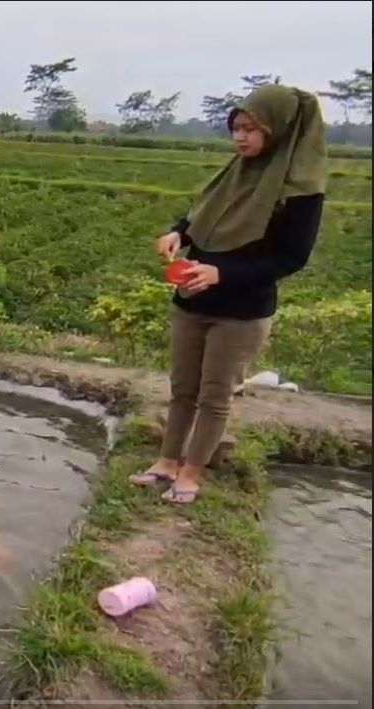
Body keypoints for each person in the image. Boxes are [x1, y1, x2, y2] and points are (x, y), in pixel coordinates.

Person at [130, 84, 328, 504]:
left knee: (214, 395)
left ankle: (191, 473)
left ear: (280, 131)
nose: (241, 138)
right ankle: (165, 463)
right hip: (191, 299)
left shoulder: (300, 191)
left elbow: (291, 257)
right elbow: (199, 215)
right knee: (182, 388)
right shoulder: (234, 173)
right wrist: (177, 233)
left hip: (241, 311)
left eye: (252, 130)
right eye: (237, 128)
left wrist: (222, 273)